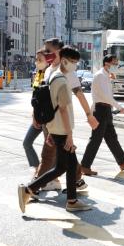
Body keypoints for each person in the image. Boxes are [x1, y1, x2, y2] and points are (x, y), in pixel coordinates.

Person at [18, 46, 92, 213]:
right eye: (73, 62)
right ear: (64, 61)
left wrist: (51, 131)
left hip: (57, 129)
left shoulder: (53, 76)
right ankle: (30, 190)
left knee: (64, 167)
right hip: (63, 131)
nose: (75, 65)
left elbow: (53, 107)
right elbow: (63, 109)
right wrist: (69, 135)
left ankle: (70, 200)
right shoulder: (62, 81)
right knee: (64, 166)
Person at [35, 38, 98, 190]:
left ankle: (35, 185)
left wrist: (89, 115)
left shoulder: (68, 72)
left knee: (55, 153)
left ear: (58, 51)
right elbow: (41, 95)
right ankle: (70, 183)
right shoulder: (48, 70)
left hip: (59, 121)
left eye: (49, 51)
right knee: (62, 152)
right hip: (50, 119)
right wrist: (36, 116)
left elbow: (80, 95)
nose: (46, 53)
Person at [80, 55, 124, 176]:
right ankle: (85, 166)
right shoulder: (100, 76)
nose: (116, 65)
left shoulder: (106, 76)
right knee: (96, 139)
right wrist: (119, 107)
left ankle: (123, 162)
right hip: (100, 110)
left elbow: (107, 96)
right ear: (107, 63)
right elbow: (105, 96)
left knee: (112, 138)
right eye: (114, 62)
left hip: (106, 110)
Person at [21, 49, 48, 176]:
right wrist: (34, 116)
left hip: (48, 118)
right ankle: (37, 168)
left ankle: (46, 174)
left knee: (49, 148)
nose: (37, 62)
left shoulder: (51, 75)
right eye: (36, 60)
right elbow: (35, 97)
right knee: (27, 143)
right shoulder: (38, 74)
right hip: (38, 117)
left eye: (40, 60)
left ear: (48, 60)